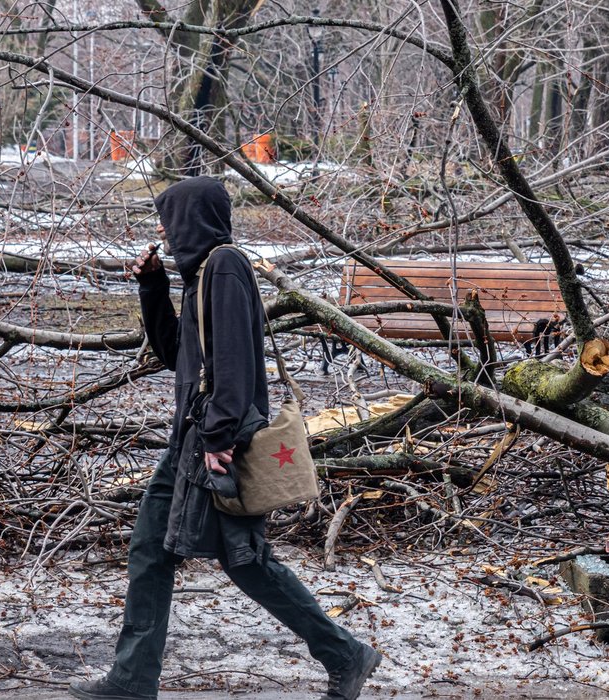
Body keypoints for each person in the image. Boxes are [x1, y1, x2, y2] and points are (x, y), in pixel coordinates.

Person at [70, 176, 381, 700]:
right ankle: (131, 679)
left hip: (215, 442)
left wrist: (218, 438)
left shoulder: (226, 267)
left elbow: (236, 362)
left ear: (192, 219)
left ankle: (345, 654)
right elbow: (177, 358)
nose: (165, 235)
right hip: (192, 441)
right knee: (153, 549)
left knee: (244, 559)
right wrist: (153, 287)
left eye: (170, 222)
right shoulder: (199, 277)